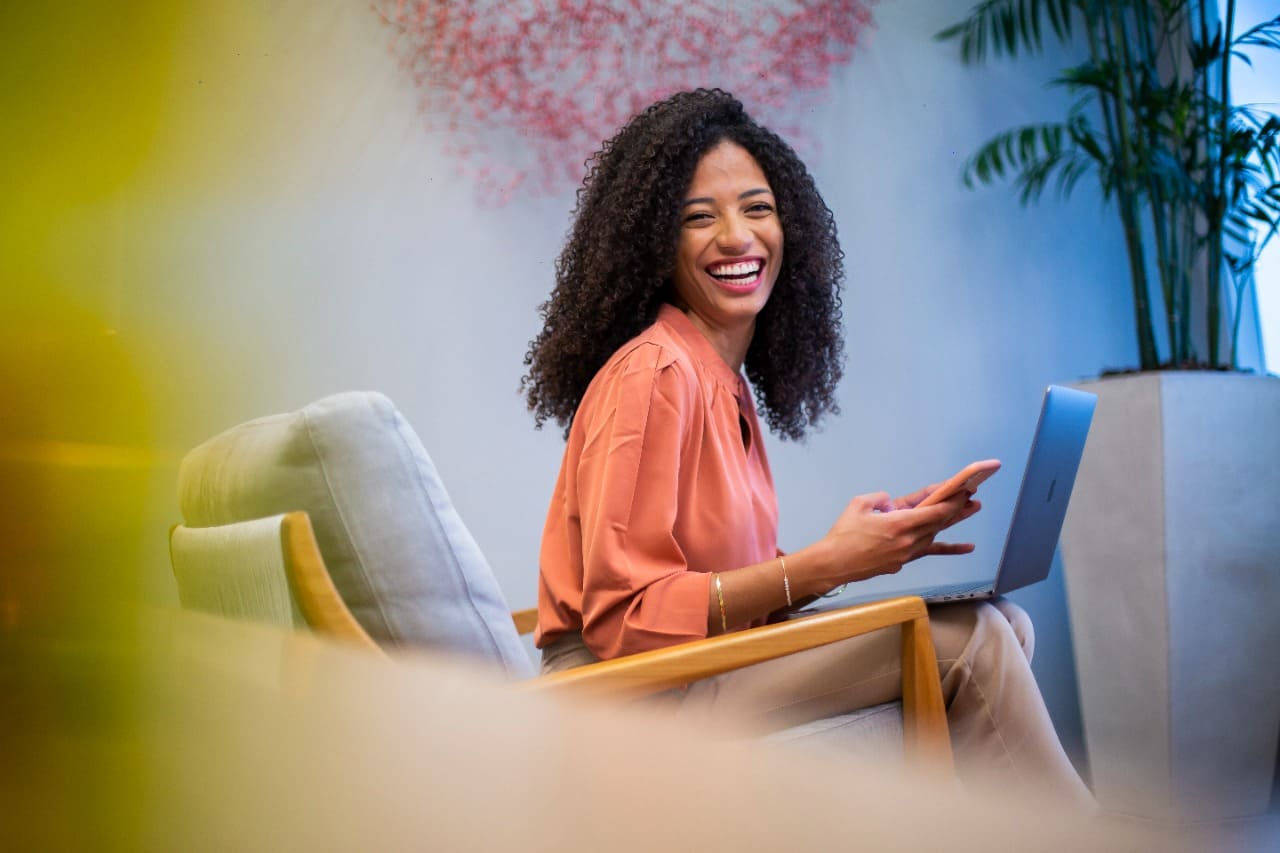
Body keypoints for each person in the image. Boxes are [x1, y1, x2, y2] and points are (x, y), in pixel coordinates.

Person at [521, 88, 1092, 806]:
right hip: (630, 703)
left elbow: (725, 589)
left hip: (697, 672)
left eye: (757, 208)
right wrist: (828, 564)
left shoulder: (722, 381)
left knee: (1003, 620)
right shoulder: (654, 373)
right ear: (654, 245)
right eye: (699, 217)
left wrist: (853, 552)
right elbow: (625, 619)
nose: (737, 237)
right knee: (971, 639)